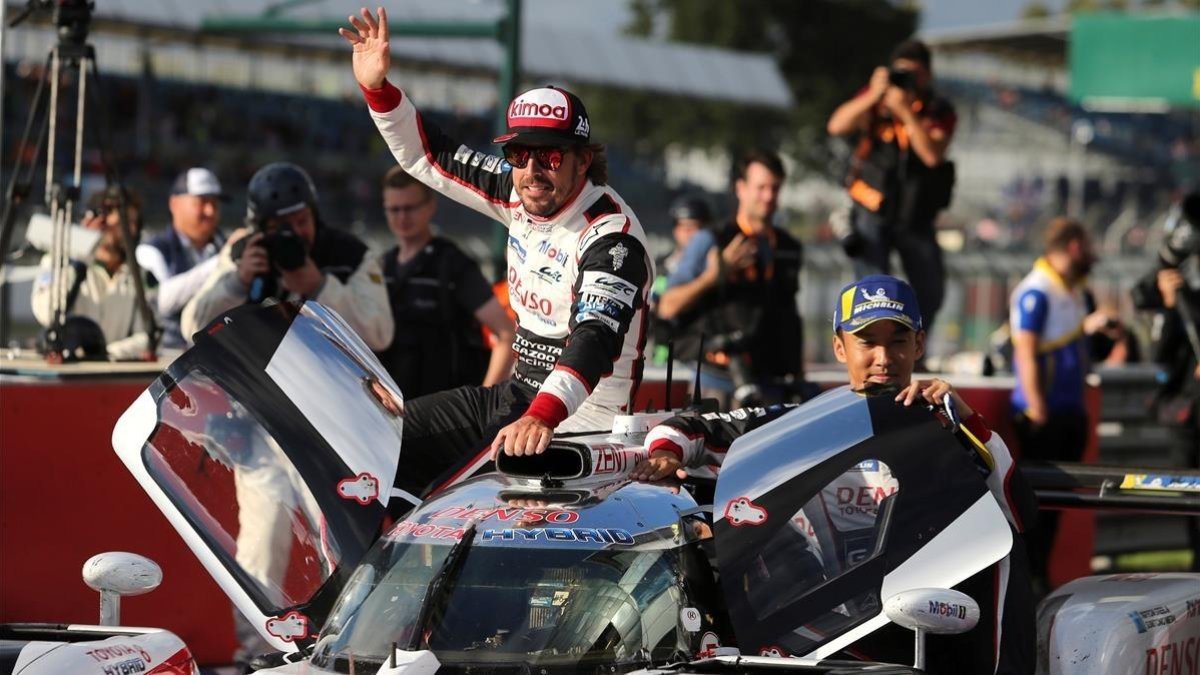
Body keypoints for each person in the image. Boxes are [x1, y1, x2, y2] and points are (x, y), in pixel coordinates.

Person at [635, 274, 1036, 675]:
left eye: (897, 341)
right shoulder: (806, 425)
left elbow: (1020, 514)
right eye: (867, 342)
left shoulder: (946, 421)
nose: (883, 357)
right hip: (835, 636)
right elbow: (691, 429)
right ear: (840, 348)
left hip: (931, 626)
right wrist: (666, 455)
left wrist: (967, 420)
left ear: (919, 344)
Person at [341, 8, 653, 498]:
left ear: (583, 160)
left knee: (487, 510)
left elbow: (594, 338)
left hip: (583, 422)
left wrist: (543, 415)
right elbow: (430, 156)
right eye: (518, 154)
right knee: (380, 436)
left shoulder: (613, 235)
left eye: (549, 156)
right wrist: (379, 89)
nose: (532, 170)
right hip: (516, 396)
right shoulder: (519, 191)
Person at [180, 162, 393, 351]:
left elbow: (380, 335)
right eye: (282, 227)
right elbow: (192, 326)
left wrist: (321, 288)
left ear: (314, 215)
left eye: (302, 221)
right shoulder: (244, 252)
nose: (295, 233)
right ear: (260, 228)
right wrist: (238, 283)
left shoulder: (350, 255)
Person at [1009, 216, 1111, 592]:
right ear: (1072, 246)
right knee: (1035, 506)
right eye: (1087, 244)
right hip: (1044, 415)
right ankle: (1029, 581)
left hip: (1072, 411)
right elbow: (1025, 351)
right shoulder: (1036, 290)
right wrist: (1036, 407)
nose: (1092, 252)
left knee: (1057, 507)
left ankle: (1042, 578)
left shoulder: (1076, 290)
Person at [654, 150, 804, 406]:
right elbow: (667, 307)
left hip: (771, 384)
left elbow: (790, 314)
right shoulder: (711, 240)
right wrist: (713, 276)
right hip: (718, 383)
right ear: (741, 188)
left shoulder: (788, 246)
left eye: (775, 188)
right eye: (761, 187)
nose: (768, 196)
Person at [826, 39, 956, 333]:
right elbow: (836, 125)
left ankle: (913, 347)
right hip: (873, 206)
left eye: (915, 74)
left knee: (930, 290)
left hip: (916, 213)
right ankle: (873, 341)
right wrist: (874, 94)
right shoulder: (876, 102)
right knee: (873, 286)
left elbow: (932, 155)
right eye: (901, 73)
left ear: (928, 76)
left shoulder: (937, 110)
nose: (907, 81)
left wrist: (907, 113)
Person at [376, 165, 516, 397]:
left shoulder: (452, 265)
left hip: (440, 414)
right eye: (394, 209)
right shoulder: (382, 266)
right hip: (389, 409)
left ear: (430, 206)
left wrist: (481, 408)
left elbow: (506, 335)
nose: (402, 217)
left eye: (409, 208)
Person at [31, 186, 157, 361]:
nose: (132, 230)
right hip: (67, 373)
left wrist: (103, 354)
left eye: (135, 223)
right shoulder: (57, 262)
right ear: (100, 222)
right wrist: (80, 257)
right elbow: (46, 314)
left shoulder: (141, 276)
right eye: (125, 221)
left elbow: (148, 337)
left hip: (115, 375)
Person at [136, 167, 228, 348]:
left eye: (215, 203)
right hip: (171, 358)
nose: (210, 211)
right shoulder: (152, 250)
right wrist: (223, 263)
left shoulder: (224, 245)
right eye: (202, 202)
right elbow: (163, 302)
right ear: (175, 204)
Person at [650, 193, 713, 365]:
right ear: (675, 230)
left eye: (697, 228)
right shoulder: (659, 265)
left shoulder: (713, 270)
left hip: (696, 358)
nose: (692, 235)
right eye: (686, 228)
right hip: (661, 356)